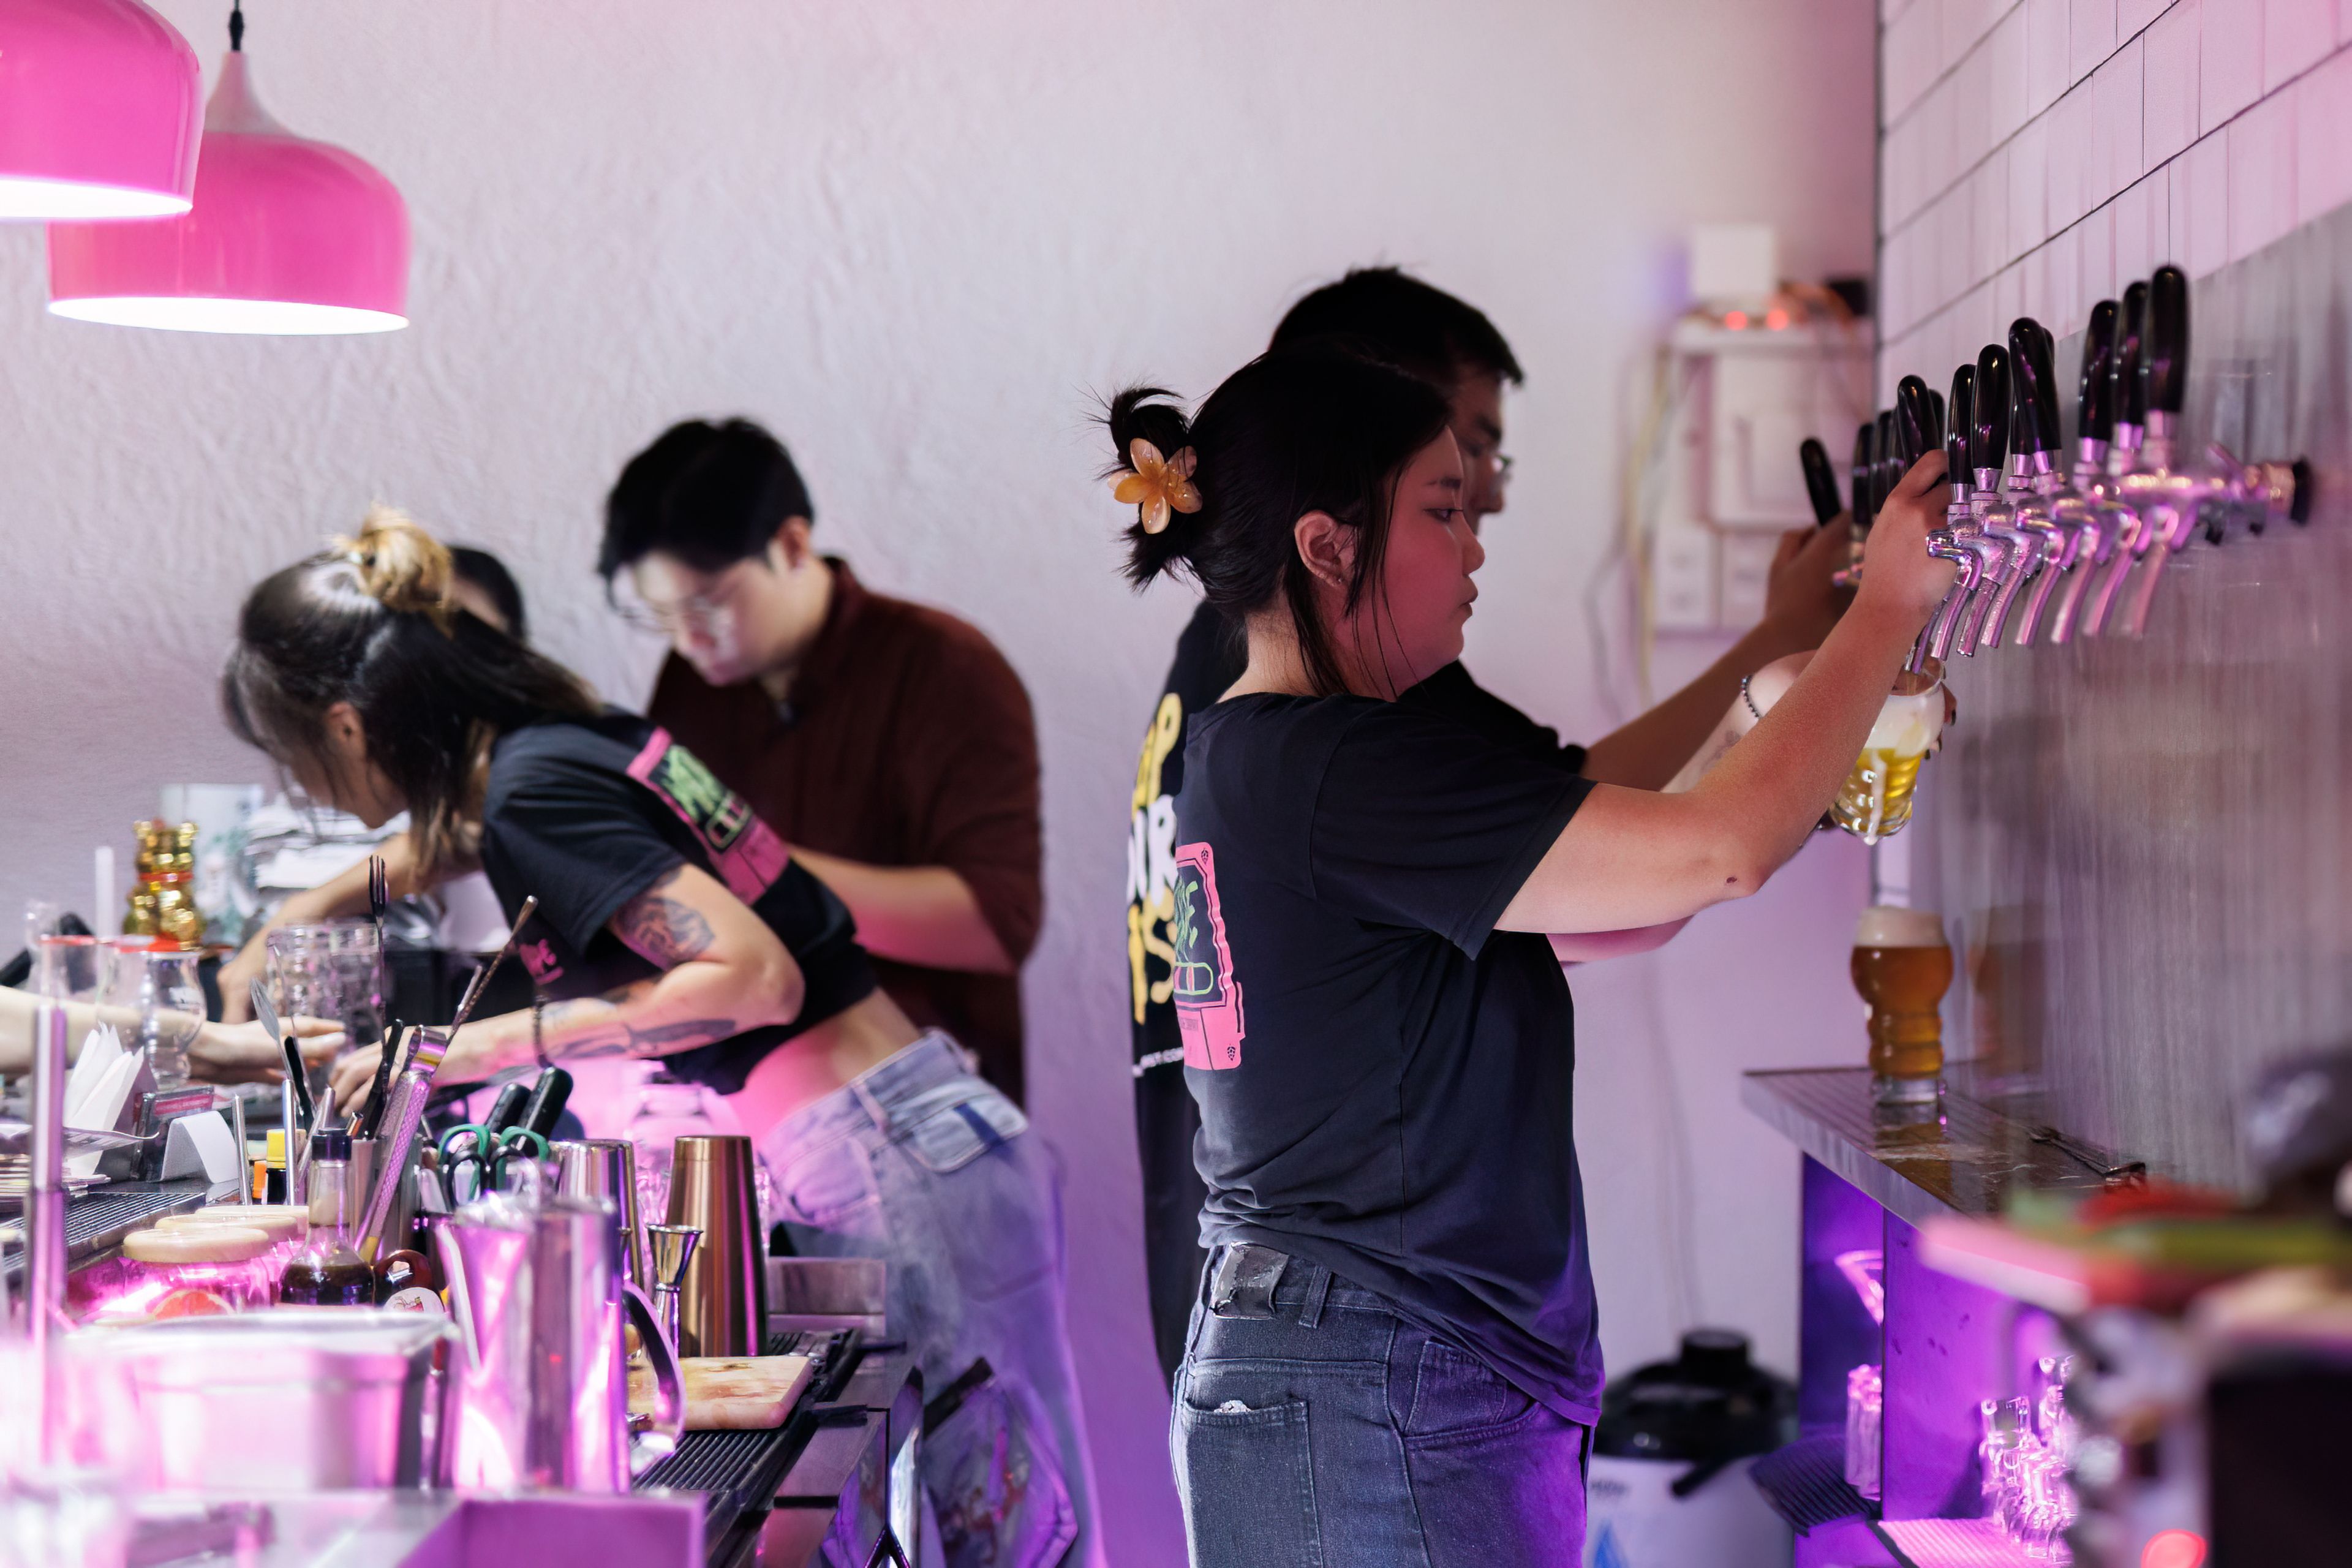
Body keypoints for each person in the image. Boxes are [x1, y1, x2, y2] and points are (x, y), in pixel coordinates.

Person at [1107, 343, 1949, 1564]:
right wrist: (1884, 610)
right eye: (1443, 511)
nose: (1477, 544)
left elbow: (1623, 901)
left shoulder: (1290, 755)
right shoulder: (1327, 764)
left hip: (1376, 1365)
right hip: (1369, 1372)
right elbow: (1715, 853)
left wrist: (1786, 724)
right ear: (1327, 545)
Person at [225, 509, 1097, 1565]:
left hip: (891, 1155)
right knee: (1007, 1527)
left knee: (1006, 1538)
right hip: (921, 1134)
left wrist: (483, 1048)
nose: (299, 785)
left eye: (289, 755)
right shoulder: (571, 743)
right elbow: (447, 845)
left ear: (348, 724)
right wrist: (285, 924)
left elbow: (755, 978)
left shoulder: (531, 794)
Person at [1125, 269, 1853, 1382]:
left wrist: (1783, 687)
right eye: (1448, 485)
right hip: (1356, 1334)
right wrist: (1874, 617)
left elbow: (1605, 881)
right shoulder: (1321, 732)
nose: (1483, 517)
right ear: (1335, 526)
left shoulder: (1268, 702)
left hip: (1333, 1320)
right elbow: (1693, 849)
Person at [602, 420, 1044, 1104]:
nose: (688, 639)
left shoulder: (945, 667)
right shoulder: (694, 683)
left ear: (792, 544)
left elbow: (996, 924)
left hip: (922, 1099)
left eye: (707, 604)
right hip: (754, 1096)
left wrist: (759, 869)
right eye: (660, 616)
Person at [217, 541, 536, 1021]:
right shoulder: (471, 791)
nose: (432, 669)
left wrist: (470, 1050)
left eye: (464, 640)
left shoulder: (536, 767)